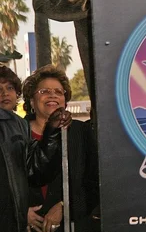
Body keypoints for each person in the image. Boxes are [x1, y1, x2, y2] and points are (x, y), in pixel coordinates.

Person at [22, 65, 99, 232]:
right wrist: (19, 211)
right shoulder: (16, 133)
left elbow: (94, 184)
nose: (52, 95)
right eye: (44, 92)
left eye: (58, 92)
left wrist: (66, 206)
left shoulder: (81, 132)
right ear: (31, 100)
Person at [0, 67, 71, 232]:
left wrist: (52, 132)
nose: (4, 93)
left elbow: (34, 172)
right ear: (31, 100)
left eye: (10, 88)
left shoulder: (18, 125)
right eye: (44, 91)